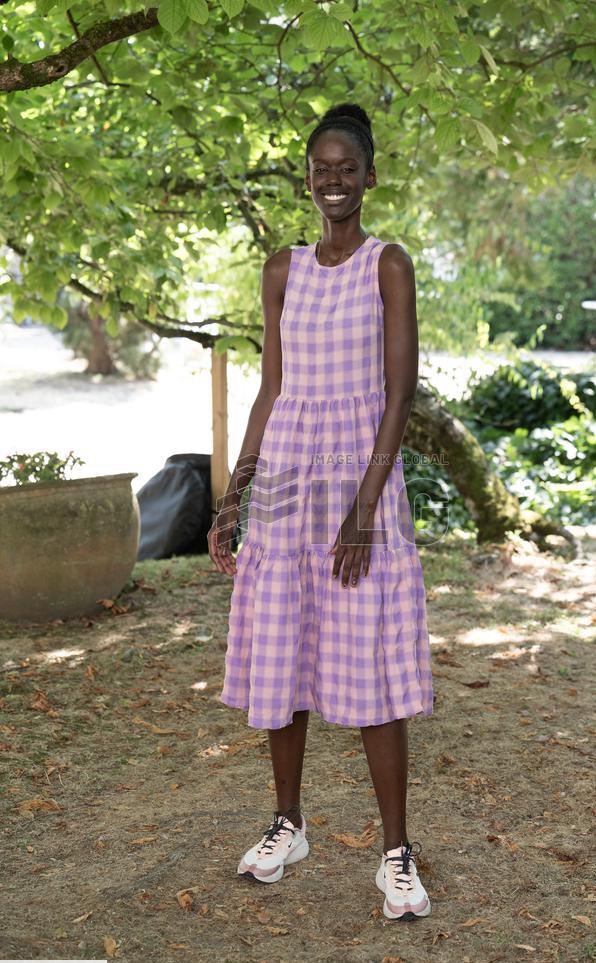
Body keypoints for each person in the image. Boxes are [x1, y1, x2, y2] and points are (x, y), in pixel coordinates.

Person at [208, 103, 434, 921]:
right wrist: (237, 498)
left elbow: (399, 391)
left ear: (370, 178)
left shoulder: (389, 265)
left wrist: (365, 509)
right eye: (320, 169)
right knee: (284, 648)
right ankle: (287, 824)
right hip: (288, 481)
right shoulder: (281, 268)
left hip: (359, 482)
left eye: (347, 169)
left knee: (372, 664)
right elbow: (272, 390)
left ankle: (397, 854)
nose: (332, 181)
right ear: (307, 179)